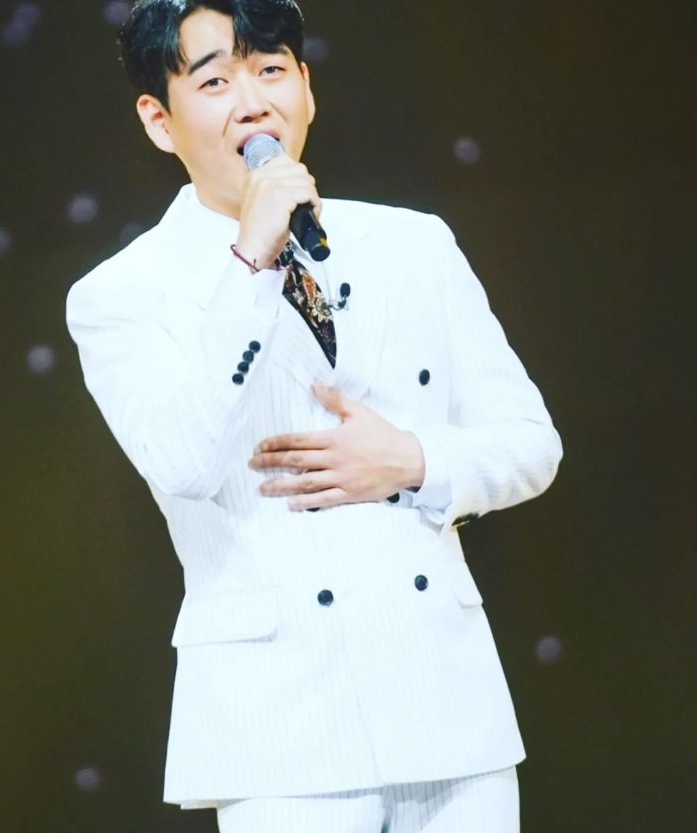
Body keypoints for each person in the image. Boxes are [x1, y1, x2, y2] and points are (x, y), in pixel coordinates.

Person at [65, 1, 564, 830]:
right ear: (158, 119)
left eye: (270, 70)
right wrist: (249, 261)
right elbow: (182, 461)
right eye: (215, 82)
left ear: (305, 87)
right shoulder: (121, 294)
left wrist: (413, 460)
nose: (251, 101)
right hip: (279, 732)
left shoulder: (414, 245)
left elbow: (529, 443)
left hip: (447, 706)